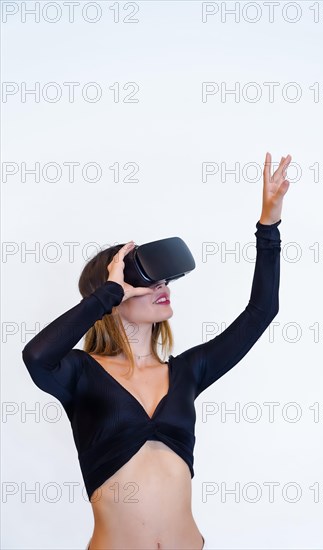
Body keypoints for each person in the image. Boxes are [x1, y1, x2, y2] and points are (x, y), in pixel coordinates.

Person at [22, 152, 291, 550]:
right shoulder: (78, 373)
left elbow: (261, 312)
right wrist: (109, 292)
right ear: (113, 295)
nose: (162, 286)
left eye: (164, 280)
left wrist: (269, 225)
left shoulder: (188, 371)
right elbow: (36, 357)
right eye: (146, 281)